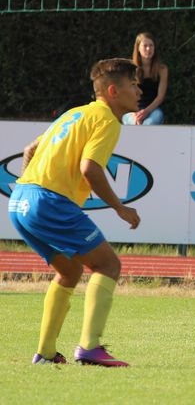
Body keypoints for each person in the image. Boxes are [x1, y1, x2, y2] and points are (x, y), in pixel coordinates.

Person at [8, 58, 143, 367]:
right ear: (113, 91)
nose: (139, 90)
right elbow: (90, 169)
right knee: (108, 265)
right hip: (48, 201)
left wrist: (26, 187)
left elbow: (30, 150)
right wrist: (120, 208)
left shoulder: (75, 113)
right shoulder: (107, 120)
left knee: (69, 271)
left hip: (20, 200)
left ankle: (45, 352)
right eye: (133, 85)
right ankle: (90, 347)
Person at [122, 31, 168, 125]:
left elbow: (160, 97)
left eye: (151, 45)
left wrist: (146, 111)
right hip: (133, 110)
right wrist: (137, 114)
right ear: (138, 48)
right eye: (145, 46)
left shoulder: (162, 69)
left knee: (149, 124)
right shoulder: (130, 69)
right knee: (134, 122)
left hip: (153, 110)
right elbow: (126, 94)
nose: (148, 49)